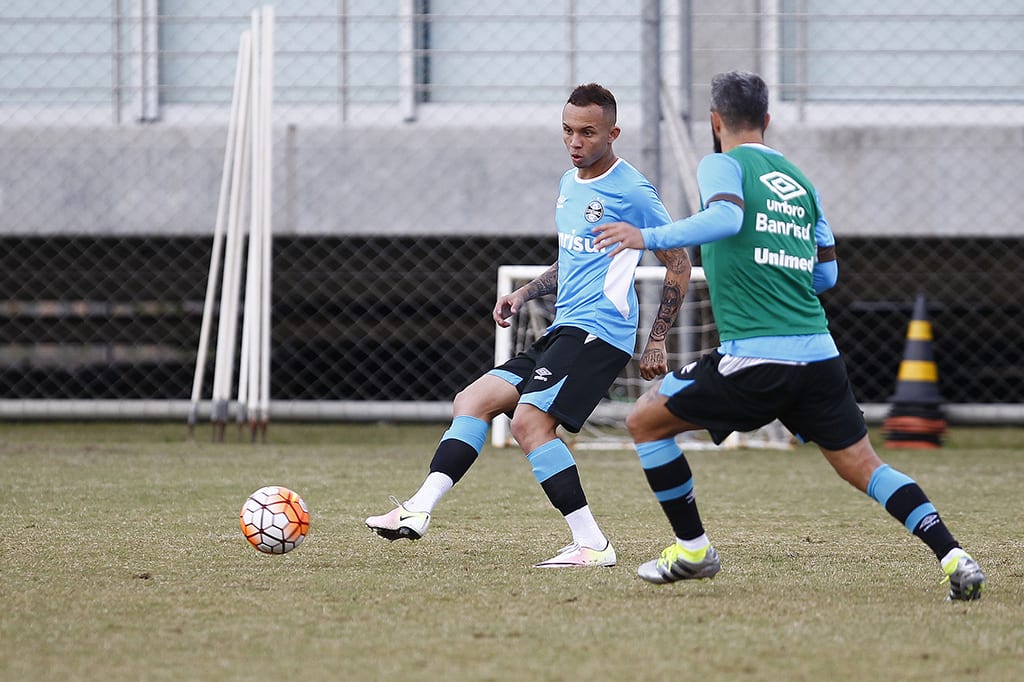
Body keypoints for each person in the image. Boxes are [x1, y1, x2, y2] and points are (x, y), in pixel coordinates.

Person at [592, 70, 985, 600]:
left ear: (715, 121)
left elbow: (727, 218)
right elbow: (827, 276)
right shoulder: (800, 182)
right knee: (865, 466)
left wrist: (649, 236)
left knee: (644, 421)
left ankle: (692, 552)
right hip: (820, 357)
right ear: (768, 121)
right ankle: (954, 555)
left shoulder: (720, 163)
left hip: (756, 357)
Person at [365, 83, 692, 568]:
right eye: (567, 130)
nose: (574, 141)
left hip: (600, 331)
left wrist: (658, 339)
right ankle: (418, 510)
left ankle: (592, 545)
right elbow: (573, 261)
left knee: (529, 422)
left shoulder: (633, 191)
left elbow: (679, 262)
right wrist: (524, 293)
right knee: (472, 401)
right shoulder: (568, 184)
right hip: (565, 328)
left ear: (612, 133)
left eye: (587, 132)